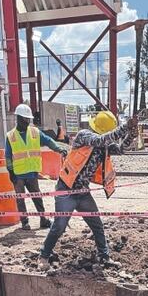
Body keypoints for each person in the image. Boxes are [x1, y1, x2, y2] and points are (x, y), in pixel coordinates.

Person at [39, 111, 138, 268]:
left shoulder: (104, 144)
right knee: (59, 226)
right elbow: (99, 140)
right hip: (66, 189)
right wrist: (125, 127)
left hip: (82, 191)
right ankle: (44, 256)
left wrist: (131, 135)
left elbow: (120, 149)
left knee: (96, 224)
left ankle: (104, 257)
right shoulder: (83, 136)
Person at [5, 103, 64, 230]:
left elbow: (48, 141)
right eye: (25, 119)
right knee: (20, 200)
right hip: (18, 174)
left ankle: (43, 220)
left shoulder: (35, 132)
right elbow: (8, 156)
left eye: (28, 119)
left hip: (32, 173)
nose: (27, 121)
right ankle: (24, 222)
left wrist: (59, 149)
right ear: (19, 118)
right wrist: (11, 172)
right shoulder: (11, 136)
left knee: (37, 197)